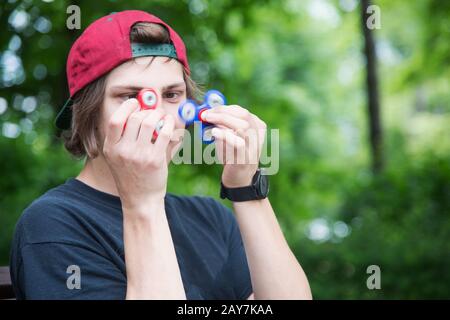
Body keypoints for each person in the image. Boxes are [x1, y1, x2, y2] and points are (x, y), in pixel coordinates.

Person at [9, 10, 312, 300]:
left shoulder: (212, 219)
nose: (158, 116)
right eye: (130, 96)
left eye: (171, 95)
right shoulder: (53, 224)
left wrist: (245, 187)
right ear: (89, 115)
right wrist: (142, 203)